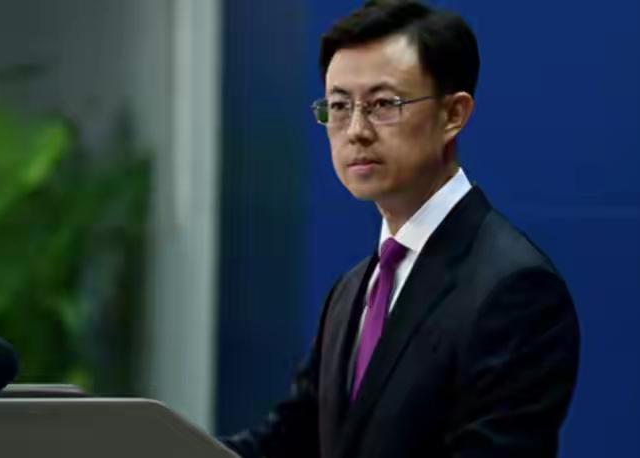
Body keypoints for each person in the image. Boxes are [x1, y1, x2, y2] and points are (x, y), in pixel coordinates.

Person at [222, 1, 580, 457]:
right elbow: (289, 443)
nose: (356, 130)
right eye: (339, 106)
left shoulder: (514, 288)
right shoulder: (351, 290)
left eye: (382, 104)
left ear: (453, 115)